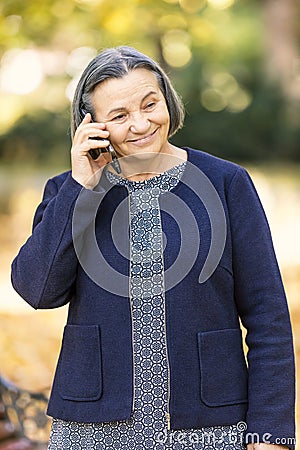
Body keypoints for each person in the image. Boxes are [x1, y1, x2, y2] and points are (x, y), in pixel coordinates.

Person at [11, 46, 295, 450]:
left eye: (150, 103)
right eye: (120, 116)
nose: (142, 123)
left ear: (168, 100)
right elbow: (37, 291)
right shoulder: (68, 190)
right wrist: (82, 189)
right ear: (91, 125)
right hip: (92, 432)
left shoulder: (226, 183)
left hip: (209, 429)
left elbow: (268, 316)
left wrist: (270, 435)